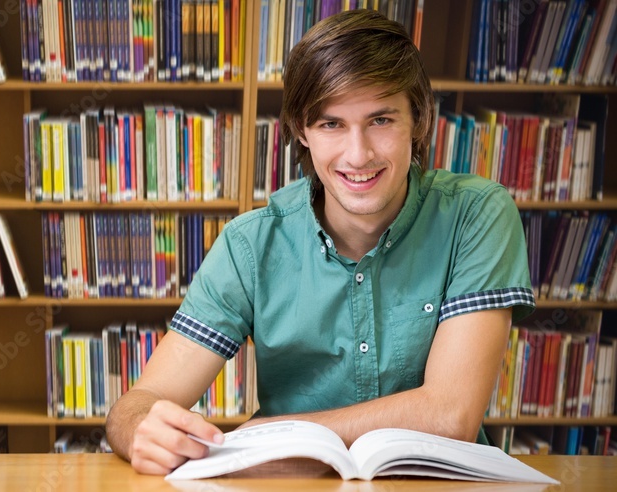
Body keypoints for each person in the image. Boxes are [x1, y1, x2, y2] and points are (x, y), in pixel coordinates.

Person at [105, 9, 536, 476]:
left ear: (420, 119)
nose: (359, 154)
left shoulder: (477, 215)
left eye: (381, 119)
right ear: (300, 130)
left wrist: (266, 434)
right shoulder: (250, 245)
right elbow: (140, 403)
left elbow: (449, 415)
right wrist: (140, 430)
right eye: (332, 124)